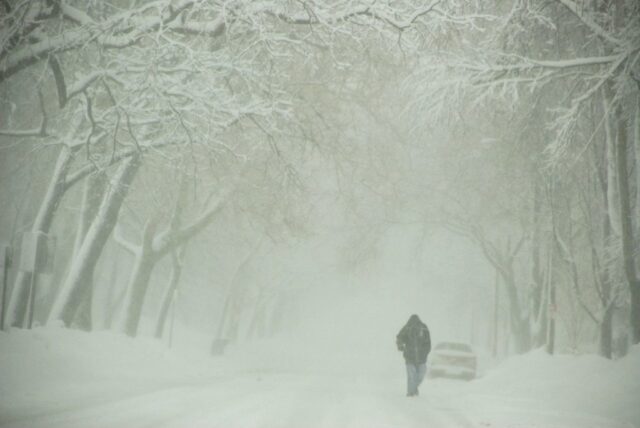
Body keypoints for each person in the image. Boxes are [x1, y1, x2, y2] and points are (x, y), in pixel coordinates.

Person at [396, 314, 431, 397]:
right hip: (410, 357)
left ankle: (413, 389)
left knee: (420, 375)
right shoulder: (407, 328)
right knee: (412, 376)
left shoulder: (424, 328)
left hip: (421, 358)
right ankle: (410, 393)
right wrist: (400, 346)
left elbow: (428, 343)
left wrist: (425, 352)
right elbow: (399, 337)